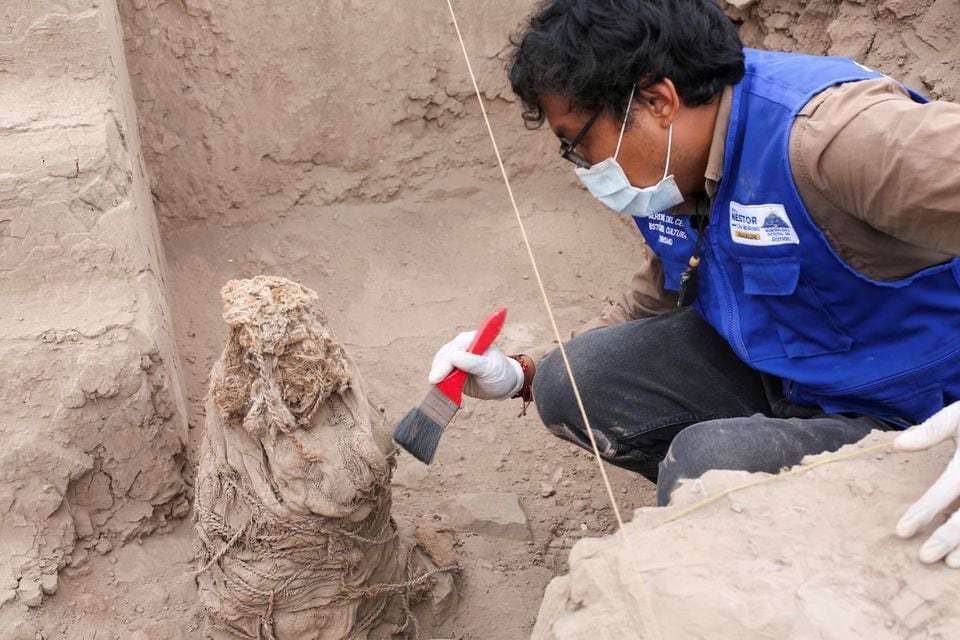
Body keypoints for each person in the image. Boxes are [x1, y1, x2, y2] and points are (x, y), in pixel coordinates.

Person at [426, 0, 960, 567]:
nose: (582, 166)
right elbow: (662, 291)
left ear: (657, 101)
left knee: (708, 465)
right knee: (573, 382)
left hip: (915, 417)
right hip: (791, 373)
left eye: (578, 142)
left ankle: (857, 547)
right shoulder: (677, 167)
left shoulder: (835, 137)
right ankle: (785, 525)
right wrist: (524, 372)